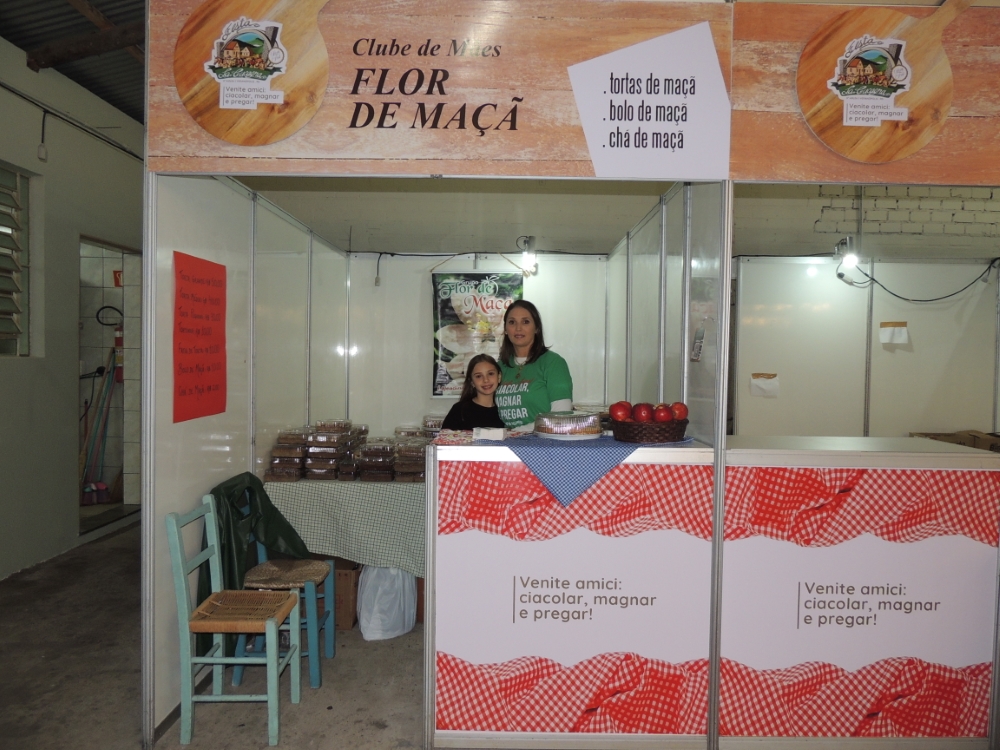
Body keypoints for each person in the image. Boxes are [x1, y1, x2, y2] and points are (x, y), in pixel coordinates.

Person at [495, 300, 573, 430]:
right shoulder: (500, 367)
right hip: (509, 440)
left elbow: (560, 417)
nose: (518, 328)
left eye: (525, 322)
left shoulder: (553, 362)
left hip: (544, 441)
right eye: (512, 322)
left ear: (536, 328)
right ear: (506, 329)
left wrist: (516, 432)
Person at [442, 354, 506, 430]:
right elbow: (445, 436)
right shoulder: (459, 410)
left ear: (499, 377)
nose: (486, 380)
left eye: (490, 374)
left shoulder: (506, 410)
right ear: (472, 382)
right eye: (479, 376)